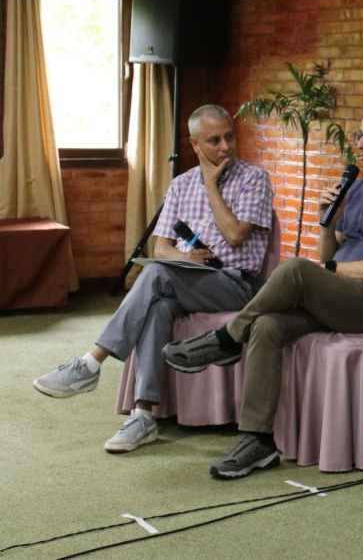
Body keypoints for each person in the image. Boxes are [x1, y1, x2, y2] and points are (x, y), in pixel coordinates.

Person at [162, 102, 363, 479]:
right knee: (267, 327)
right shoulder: (361, 187)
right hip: (343, 295)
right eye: (359, 135)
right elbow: (331, 251)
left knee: (296, 269)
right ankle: (258, 440)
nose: (359, 144)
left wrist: (327, 270)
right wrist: (326, 223)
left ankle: (227, 339)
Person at [33, 104, 274, 453]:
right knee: (159, 305)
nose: (225, 147)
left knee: (157, 275)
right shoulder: (180, 185)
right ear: (194, 145)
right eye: (214, 140)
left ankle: (92, 362)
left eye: (229, 136)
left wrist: (210, 185)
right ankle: (144, 413)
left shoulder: (254, 178)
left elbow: (235, 235)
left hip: (235, 285)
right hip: (189, 277)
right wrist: (185, 257)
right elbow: (162, 248)